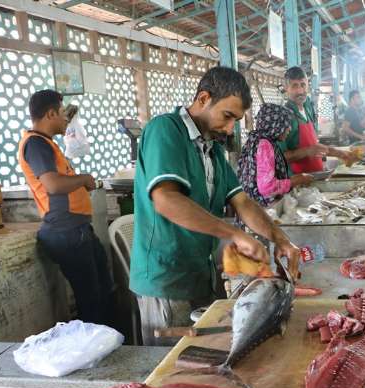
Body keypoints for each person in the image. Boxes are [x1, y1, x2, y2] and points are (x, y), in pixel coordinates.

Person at [129, 67, 301, 345]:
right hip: (167, 277)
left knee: (212, 353)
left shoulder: (212, 149)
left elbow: (242, 201)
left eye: (236, 120)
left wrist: (281, 239)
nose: (230, 127)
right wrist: (233, 234)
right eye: (227, 116)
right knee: (174, 369)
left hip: (201, 271)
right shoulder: (165, 130)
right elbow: (166, 199)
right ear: (203, 99)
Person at [18, 90, 112, 326]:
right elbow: (52, 185)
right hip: (65, 232)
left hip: (78, 230)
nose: (65, 119)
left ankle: (110, 344)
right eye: (61, 114)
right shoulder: (36, 144)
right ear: (50, 113)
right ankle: (97, 354)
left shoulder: (46, 144)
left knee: (103, 291)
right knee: (91, 300)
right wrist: (83, 179)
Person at [237, 103, 313, 209]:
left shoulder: (256, 139)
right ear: (276, 125)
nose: (289, 129)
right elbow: (267, 187)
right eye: (286, 125)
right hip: (261, 209)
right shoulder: (264, 145)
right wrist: (296, 180)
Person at [280, 66, 354, 173]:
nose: (300, 91)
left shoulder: (307, 108)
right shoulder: (283, 116)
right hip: (299, 181)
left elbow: (314, 146)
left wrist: (339, 153)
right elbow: (279, 157)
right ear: (286, 88)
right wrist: (307, 151)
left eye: (303, 85)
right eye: (294, 86)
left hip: (316, 175)